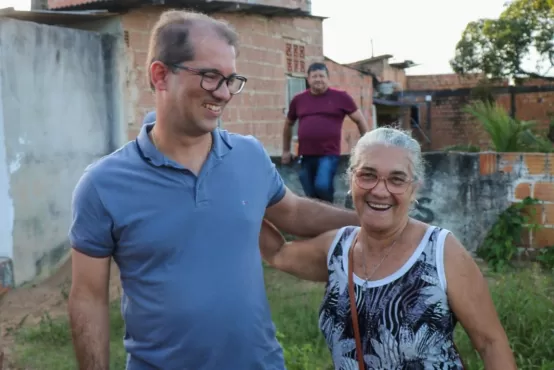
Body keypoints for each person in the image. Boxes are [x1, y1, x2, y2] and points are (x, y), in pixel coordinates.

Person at [67, 10, 360, 370]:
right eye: (210, 77)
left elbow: (295, 212)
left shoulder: (249, 156)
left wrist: (368, 222)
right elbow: (88, 298)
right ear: (160, 75)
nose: (223, 94)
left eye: (230, 79)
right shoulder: (102, 185)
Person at [262, 127, 517, 369]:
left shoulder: (440, 252)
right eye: (367, 175)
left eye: (397, 179)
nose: (380, 191)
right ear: (351, 179)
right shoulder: (338, 249)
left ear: (414, 188)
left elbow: (490, 344)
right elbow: (278, 253)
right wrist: (232, 196)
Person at [281, 62, 369, 203]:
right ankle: (320, 219)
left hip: (329, 154)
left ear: (328, 78)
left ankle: (329, 210)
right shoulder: (299, 100)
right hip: (305, 155)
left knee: (322, 185)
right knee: (309, 193)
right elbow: (288, 124)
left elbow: (360, 120)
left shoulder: (341, 97)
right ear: (308, 79)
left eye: (321, 76)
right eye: (314, 76)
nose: (318, 79)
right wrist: (286, 150)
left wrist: (367, 146)